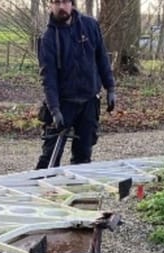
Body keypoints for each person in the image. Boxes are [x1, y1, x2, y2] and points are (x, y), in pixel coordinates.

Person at [35, 0, 116, 169]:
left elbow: (102, 58)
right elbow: (48, 78)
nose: (61, 7)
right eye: (57, 2)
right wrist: (54, 110)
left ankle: (78, 187)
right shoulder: (48, 38)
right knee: (49, 158)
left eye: (65, 2)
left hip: (89, 102)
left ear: (72, 4)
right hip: (63, 103)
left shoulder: (90, 26)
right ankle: (42, 184)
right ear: (50, 5)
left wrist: (110, 88)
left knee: (83, 158)